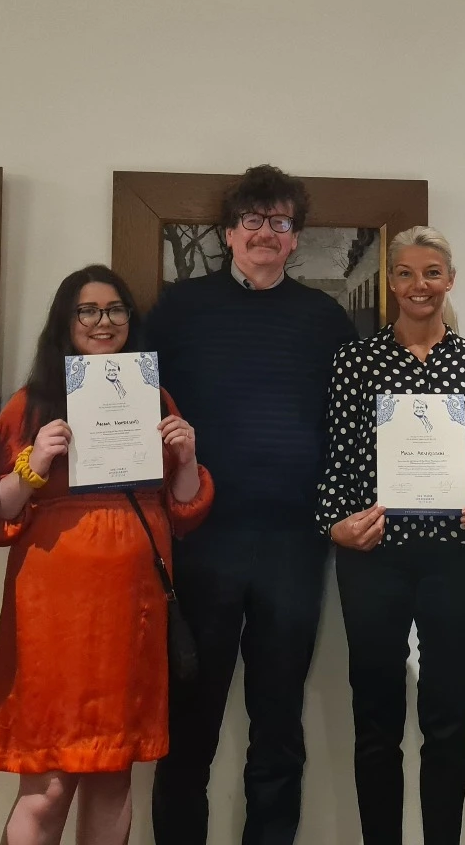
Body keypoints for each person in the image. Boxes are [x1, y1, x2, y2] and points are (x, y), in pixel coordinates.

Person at [148, 164, 357, 845]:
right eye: (253, 221)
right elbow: (130, 406)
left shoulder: (325, 320)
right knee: (190, 729)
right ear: (229, 233)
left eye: (280, 222)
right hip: (201, 543)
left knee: (277, 729)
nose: (266, 234)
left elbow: (350, 429)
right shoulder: (178, 310)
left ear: (295, 238)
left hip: (294, 547)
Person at [0, 265, 214, 845]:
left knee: (114, 774)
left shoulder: (153, 396)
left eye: (115, 310)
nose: (103, 322)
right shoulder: (30, 403)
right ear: (66, 320)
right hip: (53, 612)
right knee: (49, 782)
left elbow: (183, 511)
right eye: (88, 310)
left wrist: (185, 459)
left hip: (132, 606)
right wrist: (33, 465)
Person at [316, 227, 465, 845]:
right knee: (376, 722)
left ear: (450, 280)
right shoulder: (356, 360)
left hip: (455, 558)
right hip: (375, 557)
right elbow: (337, 462)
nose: (418, 285)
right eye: (405, 273)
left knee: (448, 720)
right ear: (390, 282)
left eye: (431, 273)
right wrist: (335, 524)